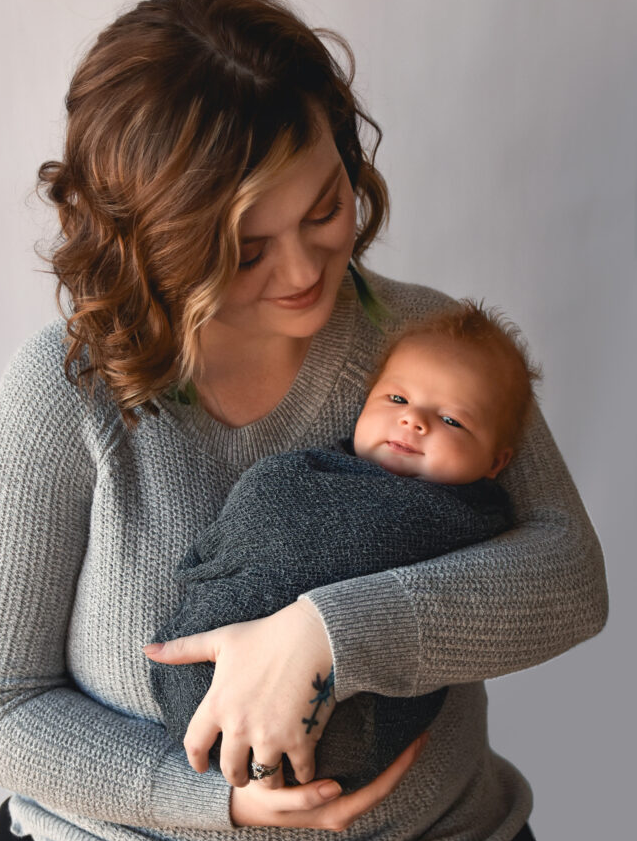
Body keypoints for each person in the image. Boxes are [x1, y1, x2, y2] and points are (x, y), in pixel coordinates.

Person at [0, 0, 607, 841]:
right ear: (153, 242)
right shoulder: (69, 393)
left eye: (326, 206)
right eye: (245, 249)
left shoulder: (431, 354)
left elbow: (570, 578)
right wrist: (209, 799)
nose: (303, 271)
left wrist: (326, 636)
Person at [149, 299, 539, 795]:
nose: (414, 421)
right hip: (201, 683)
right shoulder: (312, 470)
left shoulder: (470, 525)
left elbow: (555, 574)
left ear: (495, 462)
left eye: (451, 420)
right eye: (396, 400)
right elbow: (252, 515)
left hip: (351, 735)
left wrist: (325, 628)